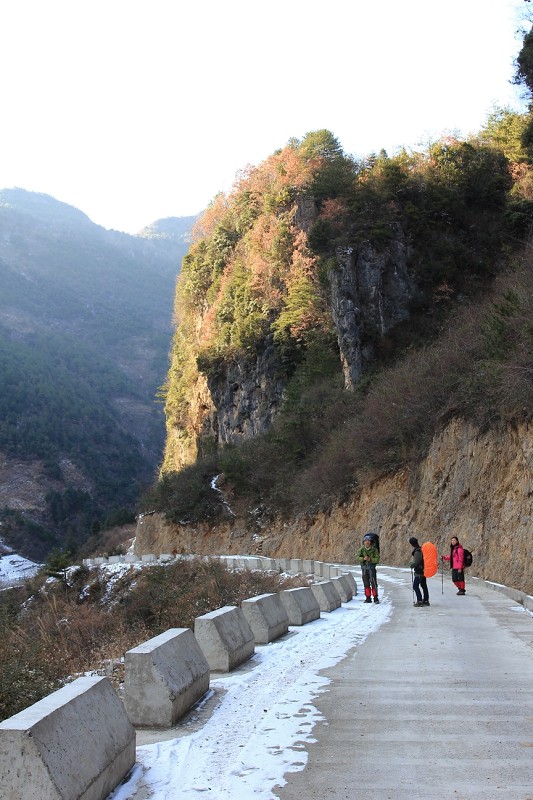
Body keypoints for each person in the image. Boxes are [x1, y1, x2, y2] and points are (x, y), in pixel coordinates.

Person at [356, 533, 380, 603]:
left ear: (371, 542)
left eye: (368, 541)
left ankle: (375, 598)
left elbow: (377, 559)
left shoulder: (374, 549)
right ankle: (368, 598)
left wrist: (370, 559)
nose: (367, 542)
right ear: (363, 542)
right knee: (366, 583)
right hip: (364, 569)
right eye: (365, 541)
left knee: (373, 583)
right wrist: (363, 558)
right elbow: (357, 557)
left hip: (371, 568)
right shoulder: (362, 549)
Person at [409, 536, 430, 607]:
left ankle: (420, 600)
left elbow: (416, 562)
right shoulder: (421, 549)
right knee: (424, 585)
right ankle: (426, 600)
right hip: (424, 570)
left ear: (411, 544)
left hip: (419, 571)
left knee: (415, 586)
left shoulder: (417, 551)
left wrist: (411, 565)